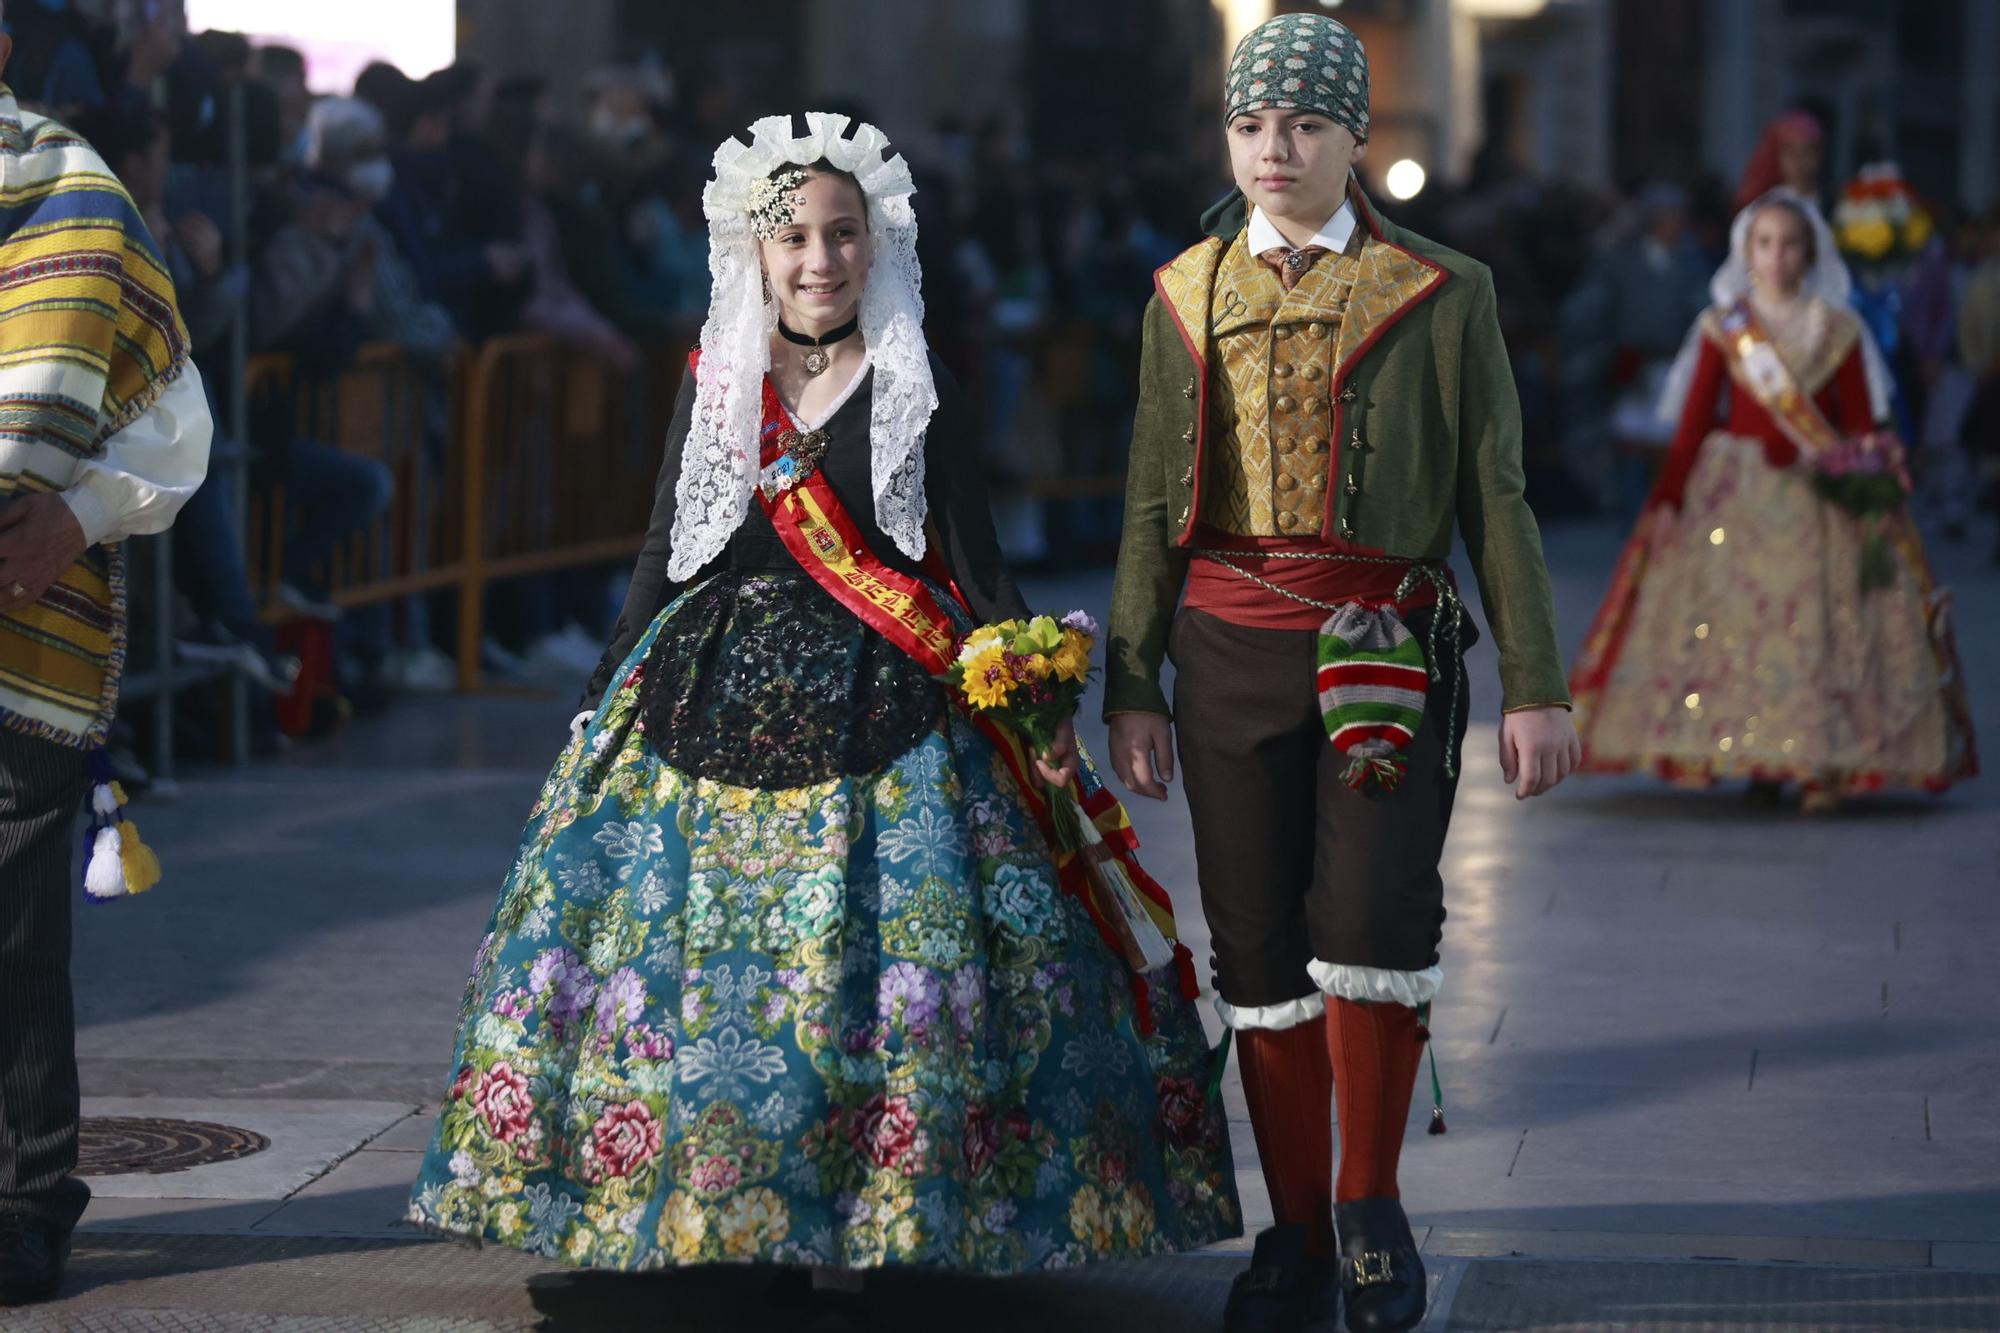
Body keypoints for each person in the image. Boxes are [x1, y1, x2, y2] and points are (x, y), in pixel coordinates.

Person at [405, 113, 1239, 1323]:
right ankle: (728, 1225)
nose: (818, 259)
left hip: (890, 708)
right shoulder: (714, 382)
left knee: (879, 974)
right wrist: (597, 706)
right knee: (695, 975)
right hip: (702, 695)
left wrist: (1043, 700)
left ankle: (890, 1213)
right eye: (792, 236)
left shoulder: (912, 378)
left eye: (842, 234)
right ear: (753, 250)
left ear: (876, 241)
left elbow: (977, 564)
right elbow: (663, 550)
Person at [1104, 15, 1578, 1332]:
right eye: (1253, 125)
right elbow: (1150, 500)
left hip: (1384, 645)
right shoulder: (1182, 292)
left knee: (1372, 922)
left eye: (1306, 125)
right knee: (1254, 947)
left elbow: (1500, 495)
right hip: (1223, 648)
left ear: (1357, 138)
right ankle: (1295, 1231)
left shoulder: (1446, 290)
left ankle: (1371, 1205)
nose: (1275, 148)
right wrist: (1130, 678)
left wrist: (1538, 680)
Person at [0, 27, 212, 1304]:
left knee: (16, 934)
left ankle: (26, 1204)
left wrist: (76, 516)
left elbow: (173, 420)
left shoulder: (79, 194)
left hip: (22, 627)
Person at [1569, 189, 1977, 807]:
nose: (1777, 256)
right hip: (1737, 499)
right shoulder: (1724, 327)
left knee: (1817, 626)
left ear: (1809, 254)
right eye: (1765, 243)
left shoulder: (1838, 329)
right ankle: (1755, 758)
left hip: (1823, 500)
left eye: (1789, 244)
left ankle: (1820, 761)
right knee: (1741, 627)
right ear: (1746, 252)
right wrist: (1669, 502)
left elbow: (1862, 420)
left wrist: (1867, 478)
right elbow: (1695, 422)